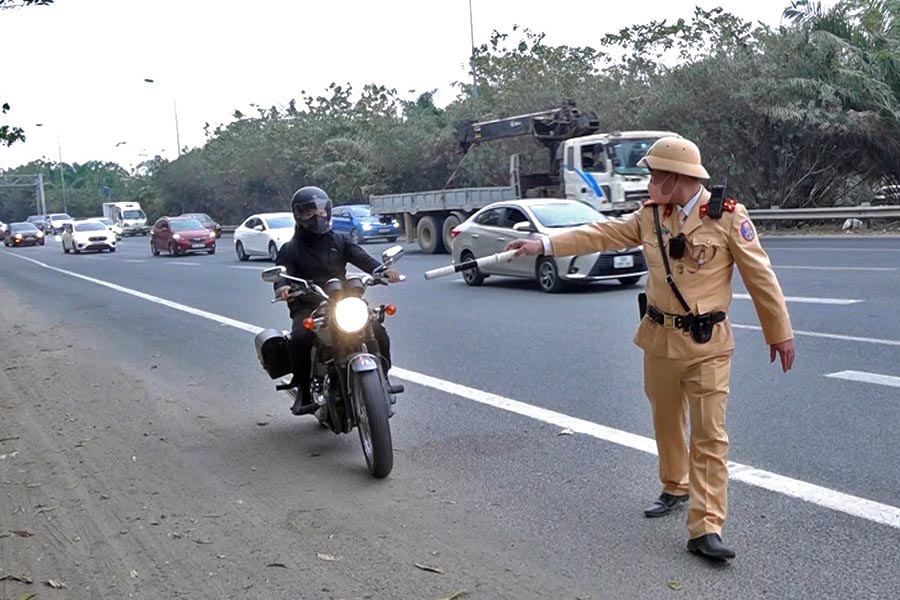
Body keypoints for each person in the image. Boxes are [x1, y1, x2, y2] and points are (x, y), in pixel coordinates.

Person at [506, 136, 795, 561]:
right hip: (659, 339)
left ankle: (706, 527)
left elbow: (761, 276)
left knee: (709, 435)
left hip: (707, 344)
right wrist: (543, 244)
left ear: (678, 178)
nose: (650, 182)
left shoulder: (728, 218)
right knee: (665, 420)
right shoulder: (650, 216)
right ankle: (675, 485)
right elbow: (601, 234)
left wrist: (779, 332)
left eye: (656, 174)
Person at [273, 186, 401, 415]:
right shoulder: (291, 249)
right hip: (308, 302)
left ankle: (383, 378)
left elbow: (363, 258)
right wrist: (282, 286)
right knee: (301, 337)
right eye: (310, 212)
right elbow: (282, 272)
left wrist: (382, 271)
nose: (317, 216)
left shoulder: (340, 241)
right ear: (299, 215)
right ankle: (303, 391)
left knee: (376, 329)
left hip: (341, 299)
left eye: (321, 211)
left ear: (328, 211)